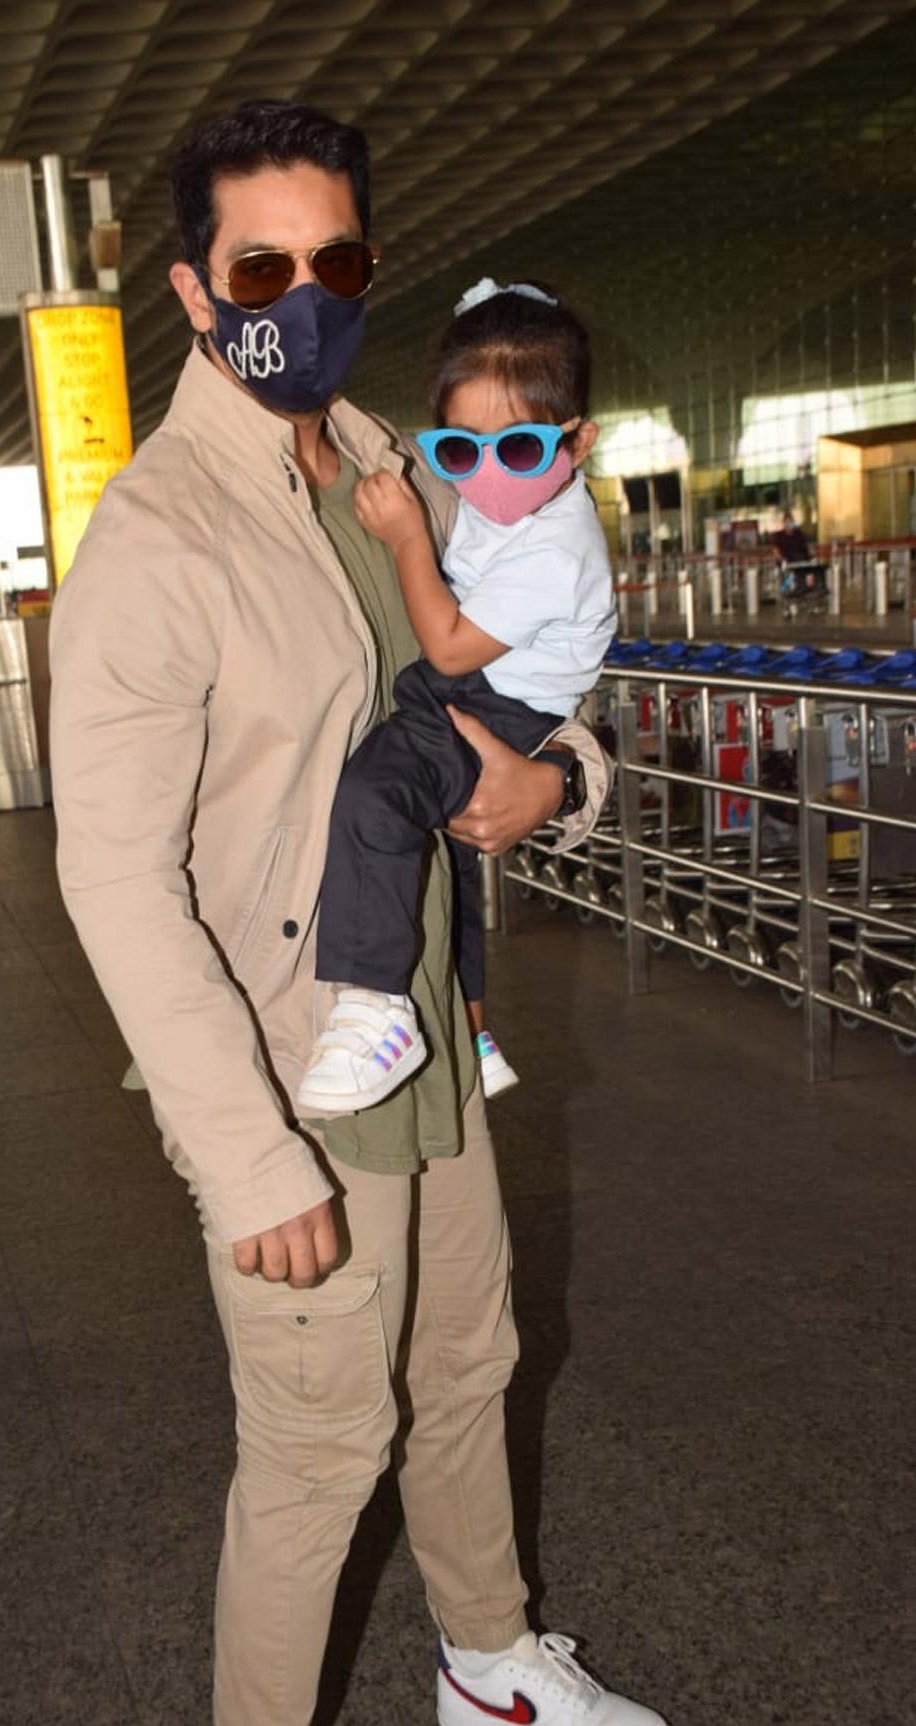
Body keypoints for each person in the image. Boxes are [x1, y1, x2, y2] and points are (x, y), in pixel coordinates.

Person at [50, 100, 675, 1726]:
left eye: (338, 264)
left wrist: (573, 777)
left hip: (427, 1024)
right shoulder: (155, 545)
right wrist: (246, 1160)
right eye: (264, 268)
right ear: (191, 287)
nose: (303, 299)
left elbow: (535, 672)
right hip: (291, 1067)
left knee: (470, 1358)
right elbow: (112, 879)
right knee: (321, 1446)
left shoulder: (389, 457)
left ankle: (489, 1656)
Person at [297, 277, 617, 1117]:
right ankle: (470, 1025)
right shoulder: (506, 500)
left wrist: (407, 534)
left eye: (518, 450)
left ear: (576, 442)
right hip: (491, 691)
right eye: (459, 450)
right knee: (450, 868)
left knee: (374, 795)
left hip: (491, 700)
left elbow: (445, 642)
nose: (484, 475)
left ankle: (375, 1006)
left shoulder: (553, 547)